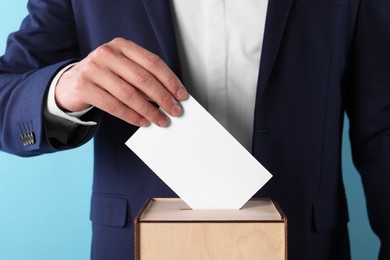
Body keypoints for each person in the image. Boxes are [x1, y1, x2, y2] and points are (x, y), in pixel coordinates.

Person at [0, 0, 389, 259]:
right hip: (134, 245)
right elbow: (7, 92)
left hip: (304, 245)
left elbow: (382, 128)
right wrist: (65, 86)